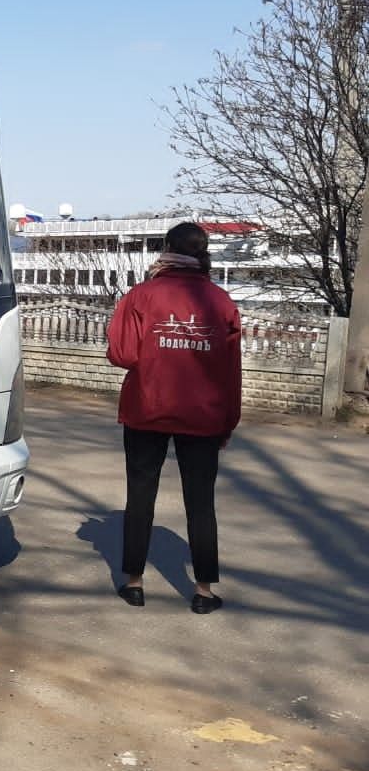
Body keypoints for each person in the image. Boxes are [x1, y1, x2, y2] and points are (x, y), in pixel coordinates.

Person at [105, 222, 242, 614]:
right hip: (203, 416)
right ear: (203, 252)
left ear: (166, 248)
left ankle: (133, 583)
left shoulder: (142, 295)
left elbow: (122, 355)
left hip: (147, 409)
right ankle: (203, 591)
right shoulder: (221, 302)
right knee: (201, 503)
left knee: (140, 495)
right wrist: (228, 421)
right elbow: (232, 370)